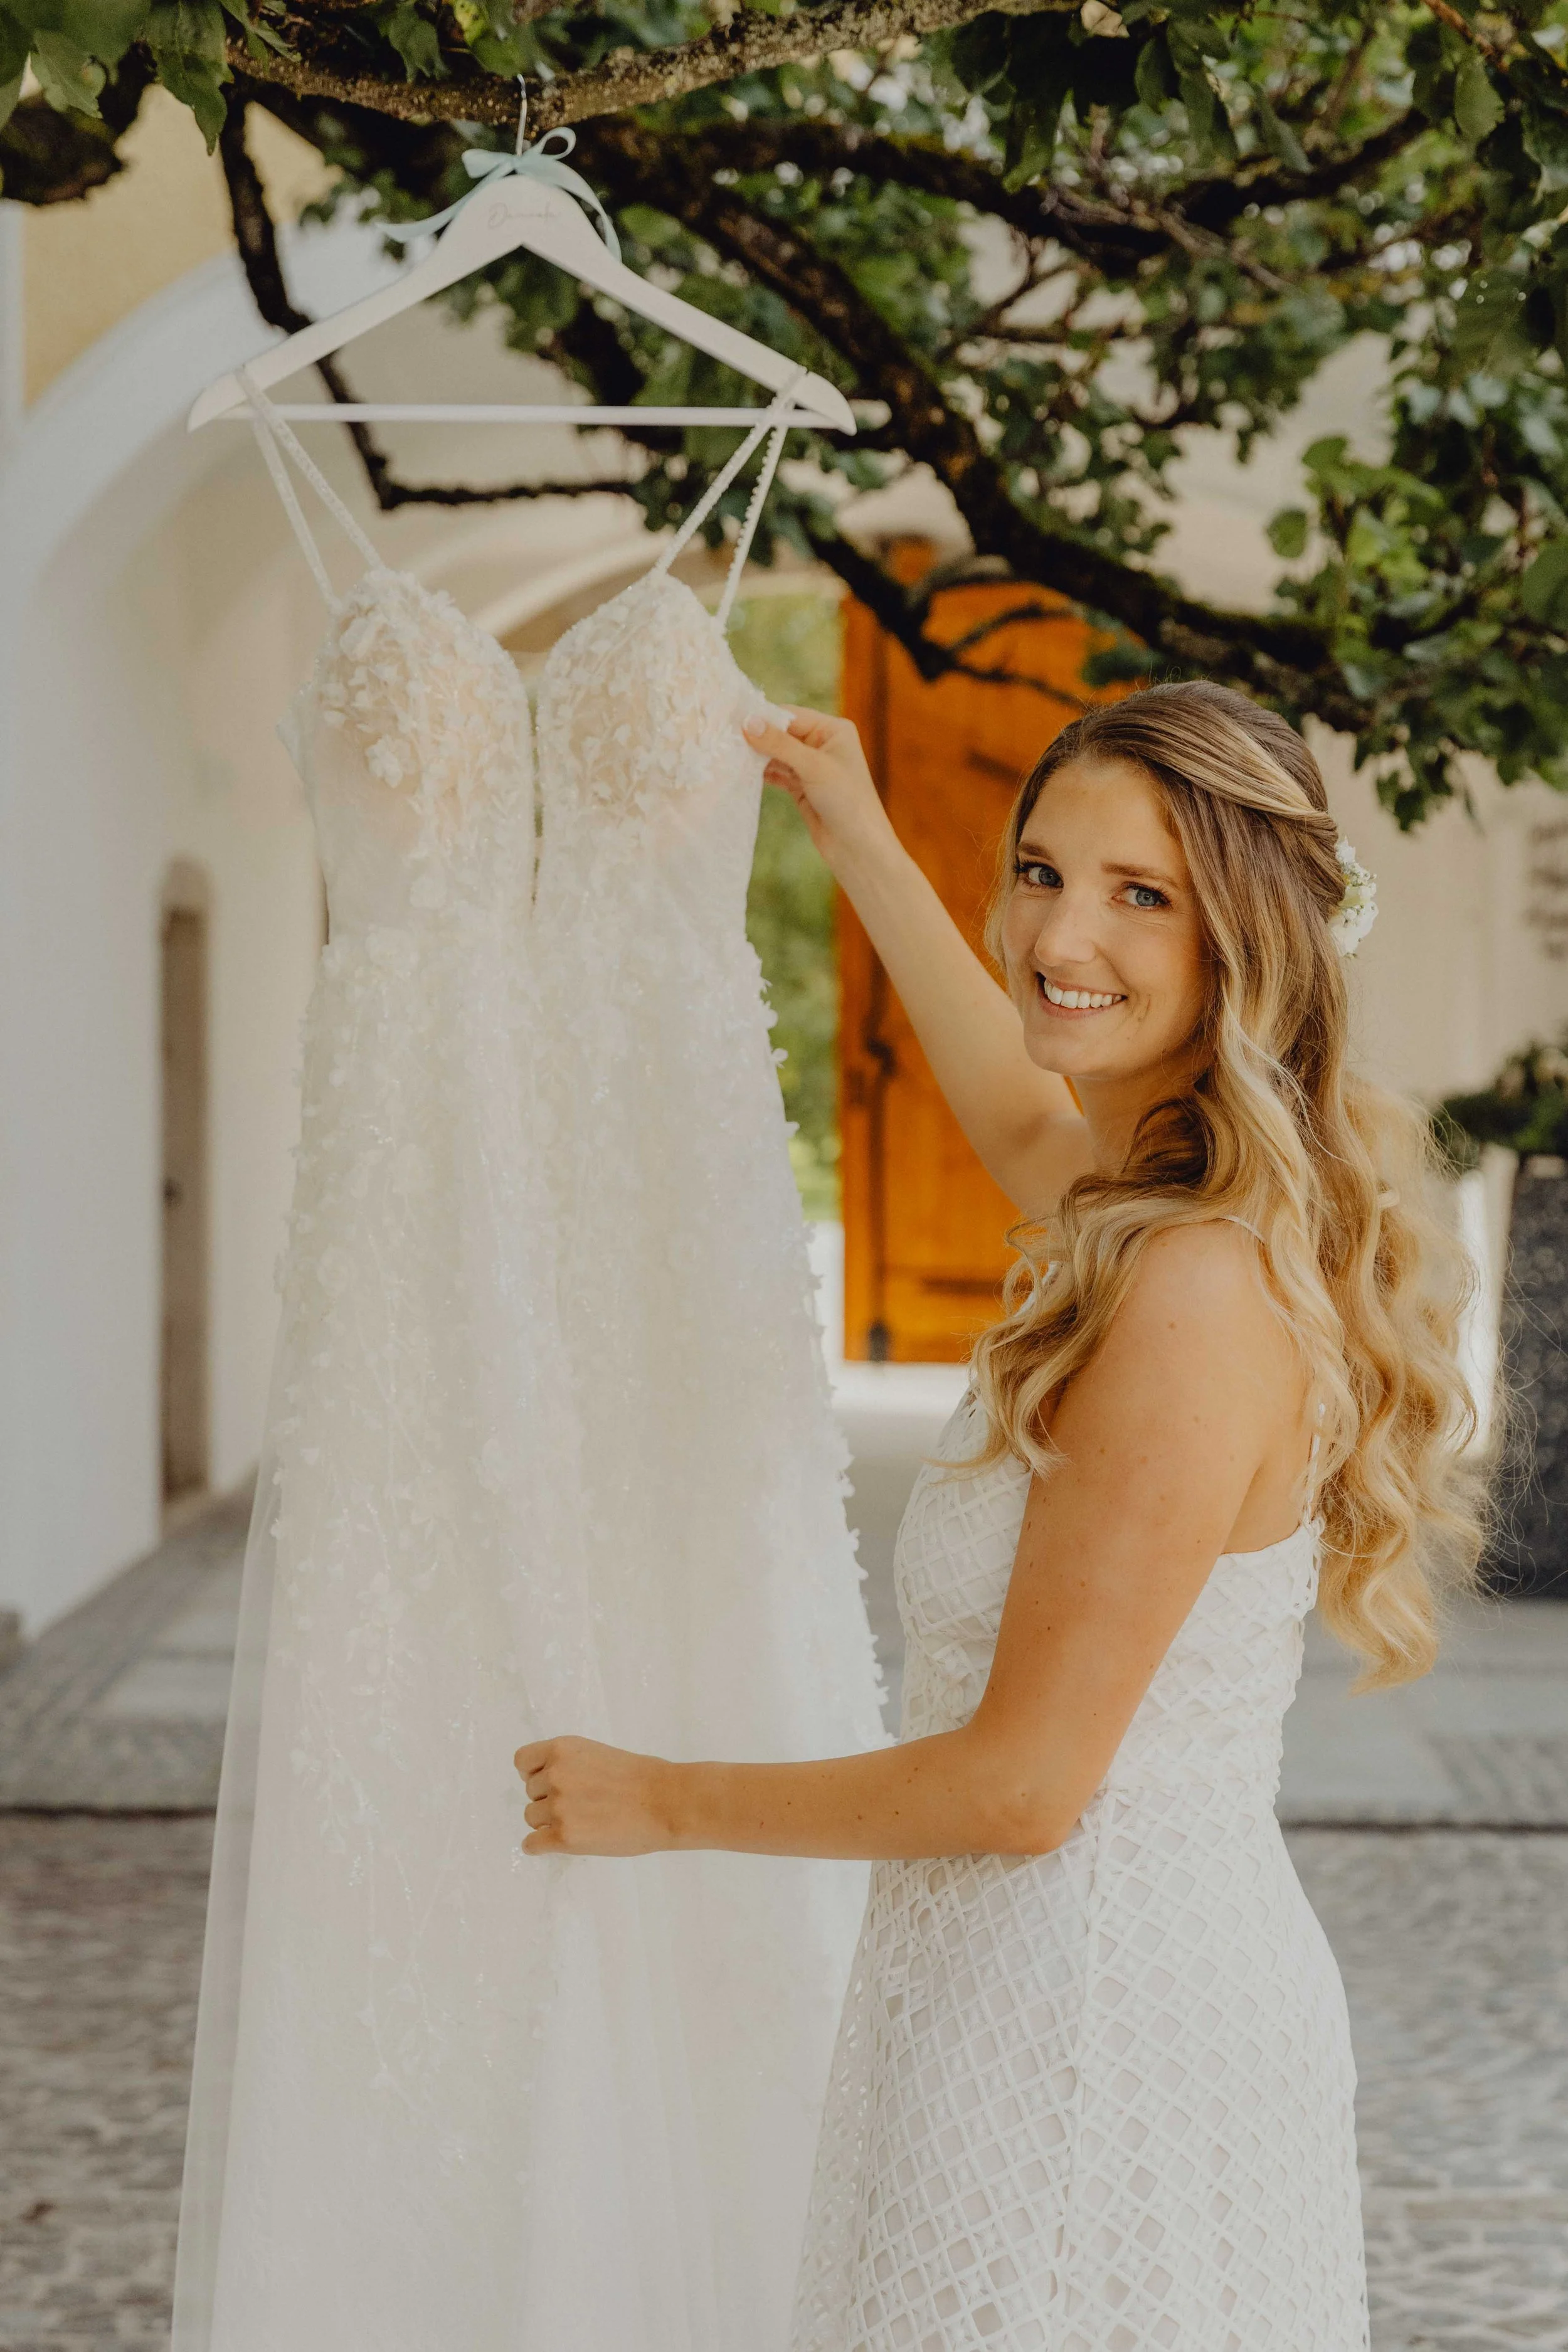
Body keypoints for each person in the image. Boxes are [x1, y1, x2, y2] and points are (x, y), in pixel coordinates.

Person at [514, 679, 1482, 2351]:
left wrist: (653, 1795)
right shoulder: (1160, 1203)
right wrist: (867, 841)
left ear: (1243, 939)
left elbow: (1026, 1784)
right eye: (1039, 868)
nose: (1060, 932)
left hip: (1095, 2031)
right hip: (1032, 1991)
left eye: (1138, 894)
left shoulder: (1185, 1288)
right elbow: (1018, 1109)